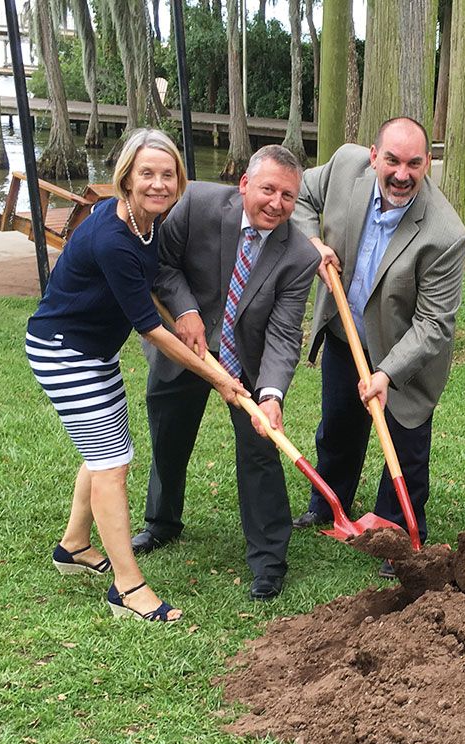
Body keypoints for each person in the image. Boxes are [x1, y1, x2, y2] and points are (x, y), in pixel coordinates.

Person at [27, 128, 244, 622]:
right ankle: (127, 588)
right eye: (147, 173)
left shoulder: (147, 225)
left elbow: (159, 291)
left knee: (105, 452)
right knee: (112, 466)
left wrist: (186, 313)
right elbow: (152, 331)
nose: (158, 184)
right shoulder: (114, 238)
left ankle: (74, 546)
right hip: (63, 353)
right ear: (126, 177)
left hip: (92, 351)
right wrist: (218, 378)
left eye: (168, 175)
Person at [130, 144, 321, 602]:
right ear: (244, 185)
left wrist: (271, 395)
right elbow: (162, 264)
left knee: (261, 448)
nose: (277, 203)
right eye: (268, 189)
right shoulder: (196, 205)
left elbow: (282, 333)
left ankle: (269, 560)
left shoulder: (299, 256)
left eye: (289, 196)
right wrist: (187, 309)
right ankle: (161, 522)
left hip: (246, 360)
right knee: (169, 433)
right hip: (185, 343)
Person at [288, 117, 465, 573]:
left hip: (406, 352)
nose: (401, 173)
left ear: (428, 163)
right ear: (373, 157)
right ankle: (328, 503)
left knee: (405, 442)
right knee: (338, 426)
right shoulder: (344, 167)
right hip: (344, 334)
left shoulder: (446, 234)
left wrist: (386, 373)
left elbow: (434, 323)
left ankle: (400, 531)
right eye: (391, 160)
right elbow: (301, 195)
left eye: (413, 163)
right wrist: (313, 241)